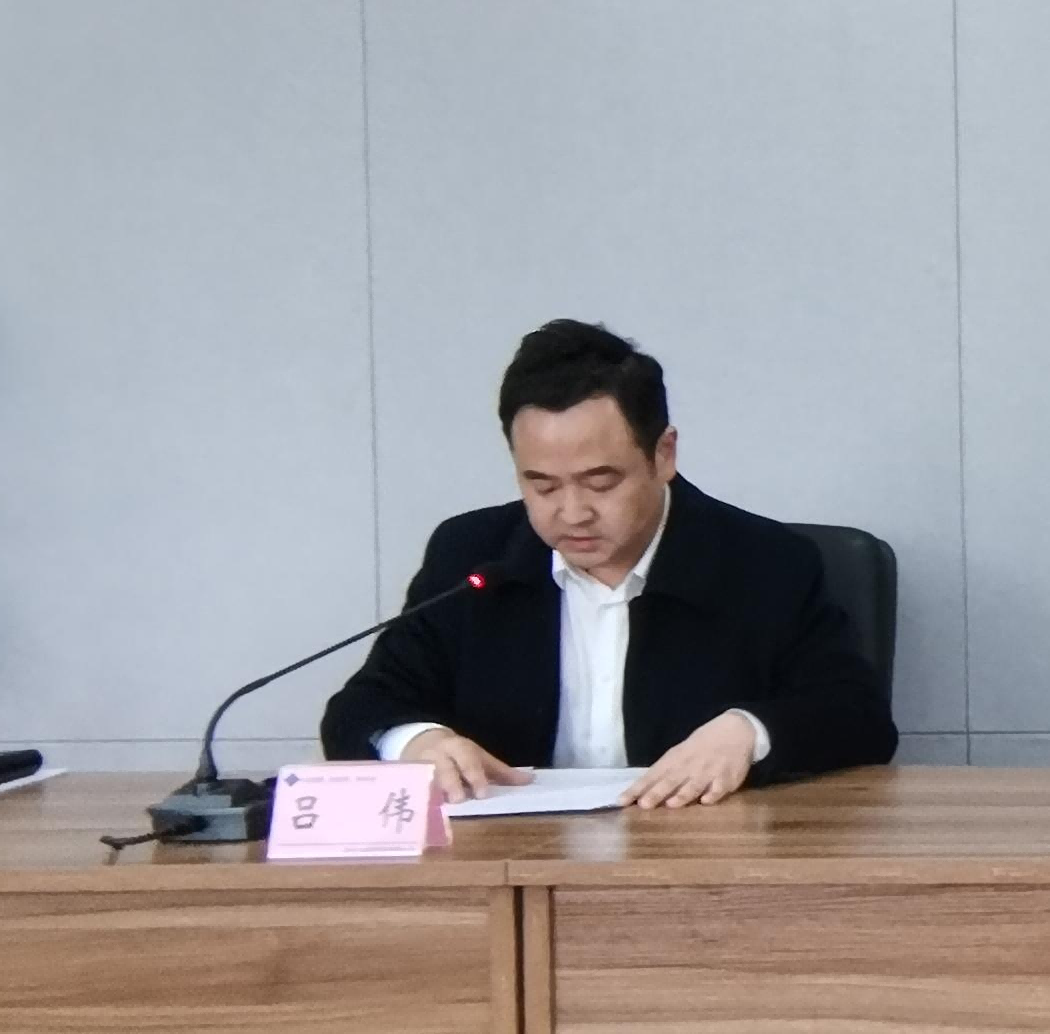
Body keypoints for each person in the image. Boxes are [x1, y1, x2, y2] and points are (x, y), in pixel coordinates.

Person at [321, 319, 896, 807]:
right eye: (542, 486)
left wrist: (748, 732)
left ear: (663, 454)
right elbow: (360, 708)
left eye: (601, 482)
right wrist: (416, 740)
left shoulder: (763, 562)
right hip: (512, 860)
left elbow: (859, 717)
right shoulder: (472, 555)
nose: (572, 513)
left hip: (695, 860)